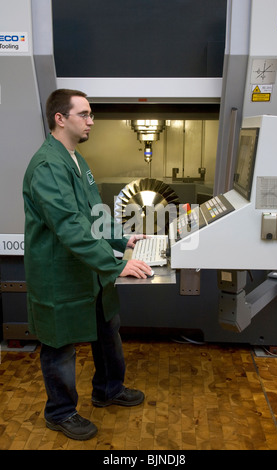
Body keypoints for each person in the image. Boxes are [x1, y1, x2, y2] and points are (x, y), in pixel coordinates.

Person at [22, 89, 152, 441]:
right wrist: (115, 266)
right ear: (60, 119)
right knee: (59, 344)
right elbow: (69, 226)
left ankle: (108, 389)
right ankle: (60, 412)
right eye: (85, 114)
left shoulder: (76, 159)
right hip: (59, 274)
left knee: (108, 328)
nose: (91, 120)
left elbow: (95, 213)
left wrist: (121, 240)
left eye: (91, 114)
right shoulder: (48, 165)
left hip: (87, 269)